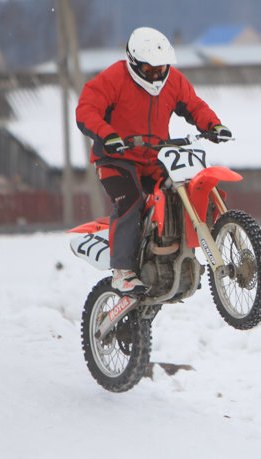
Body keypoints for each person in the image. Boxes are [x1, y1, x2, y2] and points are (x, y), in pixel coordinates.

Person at [76, 27, 231, 293]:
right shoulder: (113, 78)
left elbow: (194, 105)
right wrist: (108, 134)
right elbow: (86, 109)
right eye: (149, 70)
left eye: (161, 68)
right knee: (131, 202)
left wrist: (214, 125)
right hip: (116, 158)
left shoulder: (174, 81)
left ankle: (196, 245)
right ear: (133, 63)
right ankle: (122, 272)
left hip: (154, 157)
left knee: (185, 188)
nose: (157, 75)